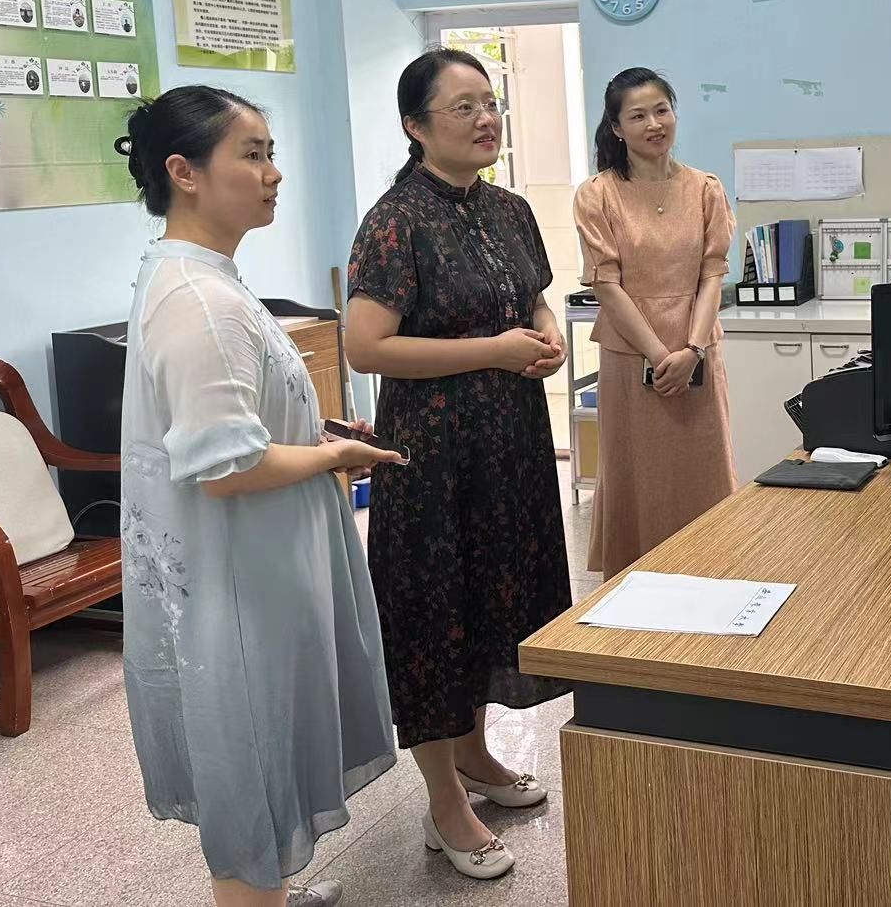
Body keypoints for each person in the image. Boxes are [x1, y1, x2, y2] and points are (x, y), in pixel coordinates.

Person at [115, 87, 399, 907]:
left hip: (261, 560)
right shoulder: (198, 301)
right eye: (252, 155)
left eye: (272, 153)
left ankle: (272, 890)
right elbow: (227, 465)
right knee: (251, 756)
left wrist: (313, 430)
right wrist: (334, 455)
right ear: (185, 172)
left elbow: (237, 421)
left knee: (270, 750)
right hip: (242, 575)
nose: (274, 174)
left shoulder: (207, 278)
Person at [344, 48, 573, 882]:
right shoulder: (396, 220)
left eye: (490, 102)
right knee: (436, 620)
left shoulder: (509, 209)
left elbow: (531, 297)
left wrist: (544, 334)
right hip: (433, 457)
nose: (486, 119)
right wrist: (493, 351)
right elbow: (366, 346)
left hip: (510, 445)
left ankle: (475, 754)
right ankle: (445, 803)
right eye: (463, 107)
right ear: (416, 125)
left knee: (491, 600)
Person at [573, 68, 736, 576]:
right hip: (630, 357)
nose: (653, 124)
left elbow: (712, 275)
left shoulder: (705, 189)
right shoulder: (598, 195)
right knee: (637, 477)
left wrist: (692, 350)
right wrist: (661, 355)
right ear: (616, 128)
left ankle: (714, 576)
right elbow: (606, 285)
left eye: (661, 110)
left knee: (704, 474)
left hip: (697, 354)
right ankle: (635, 585)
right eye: (638, 116)